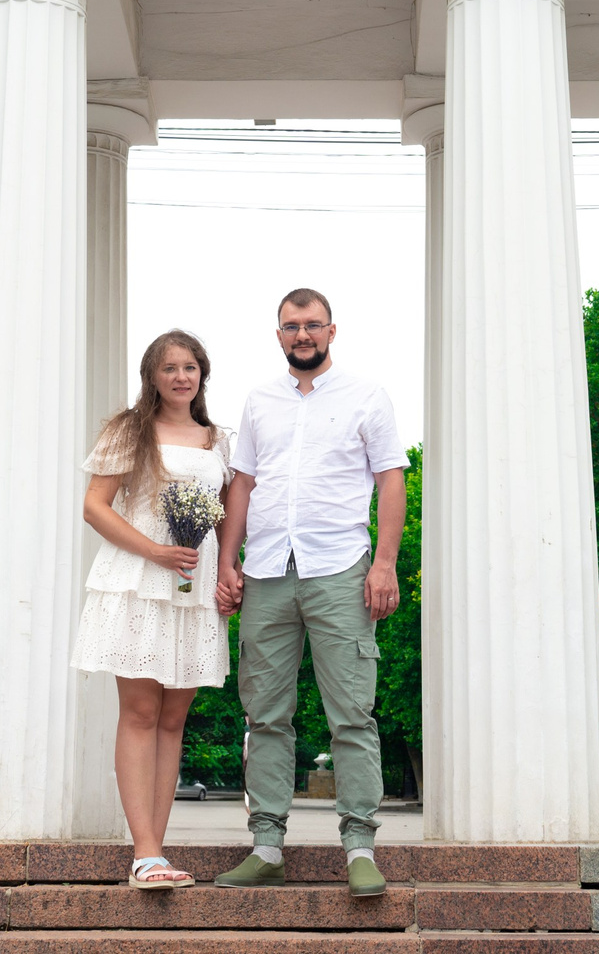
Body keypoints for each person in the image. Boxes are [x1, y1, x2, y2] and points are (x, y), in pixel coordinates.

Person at [213, 287, 407, 900]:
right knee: (265, 714)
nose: (302, 335)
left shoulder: (367, 397)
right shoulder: (259, 402)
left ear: (331, 331)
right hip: (268, 571)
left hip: (341, 569)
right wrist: (227, 558)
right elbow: (241, 484)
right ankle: (266, 845)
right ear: (278, 335)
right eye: (292, 326)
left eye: (313, 325)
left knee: (351, 713)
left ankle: (359, 849)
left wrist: (385, 564)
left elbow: (391, 479)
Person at [76, 329, 233, 890]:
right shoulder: (129, 430)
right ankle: (143, 852)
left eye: (190, 367)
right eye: (169, 367)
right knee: (141, 713)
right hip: (139, 583)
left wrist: (227, 574)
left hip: (194, 590)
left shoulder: (220, 439)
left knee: (173, 719)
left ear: (202, 374)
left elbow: (228, 517)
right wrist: (155, 552)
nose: (180, 376)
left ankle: (156, 851)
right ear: (152, 374)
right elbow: (95, 507)